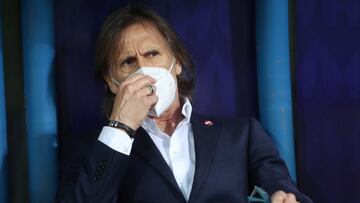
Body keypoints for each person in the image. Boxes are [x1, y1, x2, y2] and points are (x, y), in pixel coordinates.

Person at [57, 5, 313, 203]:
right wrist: (121, 127)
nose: (144, 69)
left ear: (176, 63)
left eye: (152, 54)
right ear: (112, 82)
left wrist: (285, 199)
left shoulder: (242, 135)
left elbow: (287, 193)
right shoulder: (93, 149)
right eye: (128, 62)